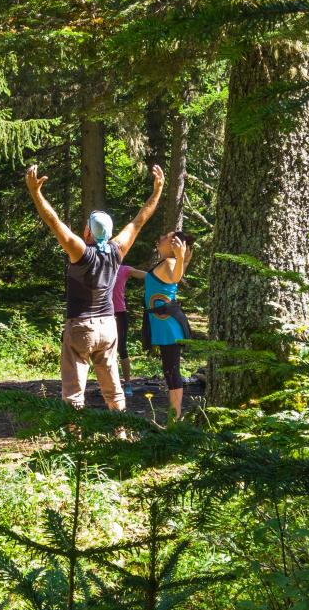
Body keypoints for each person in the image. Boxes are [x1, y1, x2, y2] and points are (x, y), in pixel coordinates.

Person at [25, 163, 165, 411]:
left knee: (73, 393)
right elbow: (138, 221)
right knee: (113, 390)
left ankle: (75, 438)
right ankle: (120, 433)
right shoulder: (117, 250)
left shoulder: (80, 252)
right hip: (108, 327)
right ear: (109, 233)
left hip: (81, 327)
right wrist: (157, 191)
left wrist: (36, 193)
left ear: (88, 231)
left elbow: (53, 221)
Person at [143, 231, 195, 420]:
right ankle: (175, 414)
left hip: (168, 325)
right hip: (165, 323)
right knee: (169, 368)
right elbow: (169, 279)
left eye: (165, 237)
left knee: (172, 370)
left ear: (174, 244)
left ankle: (176, 416)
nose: (160, 238)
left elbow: (174, 279)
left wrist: (181, 257)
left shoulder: (171, 262)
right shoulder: (167, 263)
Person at [112, 263, 147, 397]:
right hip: (102, 313)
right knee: (104, 349)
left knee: (122, 348)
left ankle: (127, 383)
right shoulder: (100, 266)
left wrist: (170, 275)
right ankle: (110, 384)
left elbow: (146, 275)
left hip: (119, 313)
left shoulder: (124, 269)